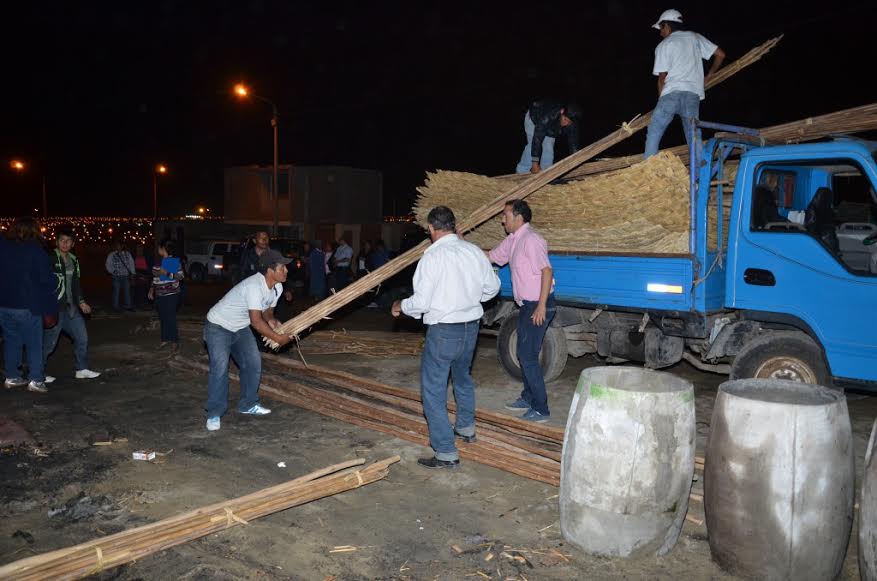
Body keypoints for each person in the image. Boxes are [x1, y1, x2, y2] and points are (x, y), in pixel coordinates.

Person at [392, 206, 501, 469]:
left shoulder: (432, 257)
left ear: (431, 228)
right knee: (462, 378)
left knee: (433, 391)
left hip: (444, 331)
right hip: (470, 328)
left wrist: (400, 306)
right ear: (454, 224)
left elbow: (421, 302)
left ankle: (445, 452)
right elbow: (493, 288)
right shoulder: (473, 251)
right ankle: (465, 427)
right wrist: (471, 299)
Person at [203, 249, 293, 431]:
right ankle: (214, 413)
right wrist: (278, 338)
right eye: (282, 267)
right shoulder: (254, 286)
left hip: (239, 327)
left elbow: (266, 311)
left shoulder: (278, 287)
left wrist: (273, 321)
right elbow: (256, 321)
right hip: (218, 326)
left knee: (253, 363)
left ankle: (248, 404)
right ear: (270, 270)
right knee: (220, 369)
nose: (286, 271)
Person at [488, 200, 556, 423]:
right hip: (527, 305)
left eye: (505, 215)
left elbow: (546, 270)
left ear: (518, 217)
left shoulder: (531, 240)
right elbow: (492, 256)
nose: (502, 219)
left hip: (537, 305)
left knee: (527, 356)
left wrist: (541, 306)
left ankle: (541, 408)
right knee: (523, 353)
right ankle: (528, 398)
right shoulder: (514, 240)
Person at [643, 9, 725, 159]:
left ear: (666, 26)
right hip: (692, 95)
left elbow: (662, 78)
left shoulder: (664, 45)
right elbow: (720, 54)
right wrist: (710, 75)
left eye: (660, 29)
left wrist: (661, 101)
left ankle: (648, 167)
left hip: (671, 93)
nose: (660, 33)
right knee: (693, 135)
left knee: (655, 129)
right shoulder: (695, 37)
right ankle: (700, 175)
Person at [0, 217, 58, 393]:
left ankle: (12, 377)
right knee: (34, 343)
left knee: (11, 341)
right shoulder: (35, 250)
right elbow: (45, 279)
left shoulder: (3, 247)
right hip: (27, 305)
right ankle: (36, 379)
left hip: (4, 304)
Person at [44, 227, 101, 382]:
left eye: (68, 241)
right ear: (56, 242)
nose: (65, 243)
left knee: (82, 338)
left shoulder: (74, 260)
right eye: (62, 240)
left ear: (72, 243)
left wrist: (81, 302)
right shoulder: (50, 259)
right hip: (55, 308)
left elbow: (76, 284)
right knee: (49, 344)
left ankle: (81, 369)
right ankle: (38, 373)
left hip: (71, 307)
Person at [515, 99, 582, 175]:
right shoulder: (549, 115)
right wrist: (535, 164)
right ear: (562, 111)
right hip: (534, 120)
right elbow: (537, 138)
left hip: (551, 128)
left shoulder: (572, 123)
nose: (565, 123)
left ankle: (546, 173)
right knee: (532, 145)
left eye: (569, 122)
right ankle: (521, 171)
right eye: (565, 119)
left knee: (548, 148)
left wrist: (576, 162)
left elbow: (573, 144)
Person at [148, 240, 185, 351]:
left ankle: (174, 341)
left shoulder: (173, 262)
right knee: (163, 318)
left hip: (171, 295)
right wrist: (151, 289)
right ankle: (165, 339)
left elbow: (181, 276)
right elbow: (154, 278)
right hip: (159, 294)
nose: (158, 249)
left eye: (159, 247)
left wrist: (167, 273)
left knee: (170, 318)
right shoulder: (159, 263)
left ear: (164, 249)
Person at [105, 240, 135, 311]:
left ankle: (128, 306)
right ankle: (115, 306)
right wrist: (112, 271)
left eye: (119, 245)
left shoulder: (127, 254)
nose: (118, 247)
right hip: (116, 276)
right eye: (117, 245)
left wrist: (133, 273)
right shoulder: (111, 255)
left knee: (127, 291)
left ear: (122, 246)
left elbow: (131, 264)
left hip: (125, 276)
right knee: (116, 291)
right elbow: (108, 264)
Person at [132, 243, 153, 309]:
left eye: (140, 248)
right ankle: (138, 303)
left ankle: (145, 303)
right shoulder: (134, 257)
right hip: (137, 274)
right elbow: (132, 266)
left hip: (145, 273)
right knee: (138, 289)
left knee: (145, 288)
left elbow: (149, 265)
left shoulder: (146, 256)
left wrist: (148, 273)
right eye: (138, 248)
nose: (139, 250)